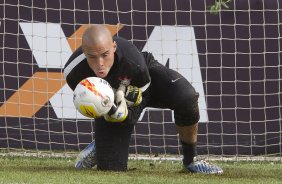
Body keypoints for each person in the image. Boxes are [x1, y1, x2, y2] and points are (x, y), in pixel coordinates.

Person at [63, 24, 223, 174]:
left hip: (145, 81)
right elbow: (95, 105)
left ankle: (190, 161)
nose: (100, 64)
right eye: (92, 57)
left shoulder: (135, 63)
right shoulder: (73, 73)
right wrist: (111, 109)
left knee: (187, 97)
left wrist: (125, 113)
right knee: (111, 168)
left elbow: (139, 100)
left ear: (114, 47)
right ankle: (100, 147)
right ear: (84, 52)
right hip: (113, 97)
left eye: (105, 55)